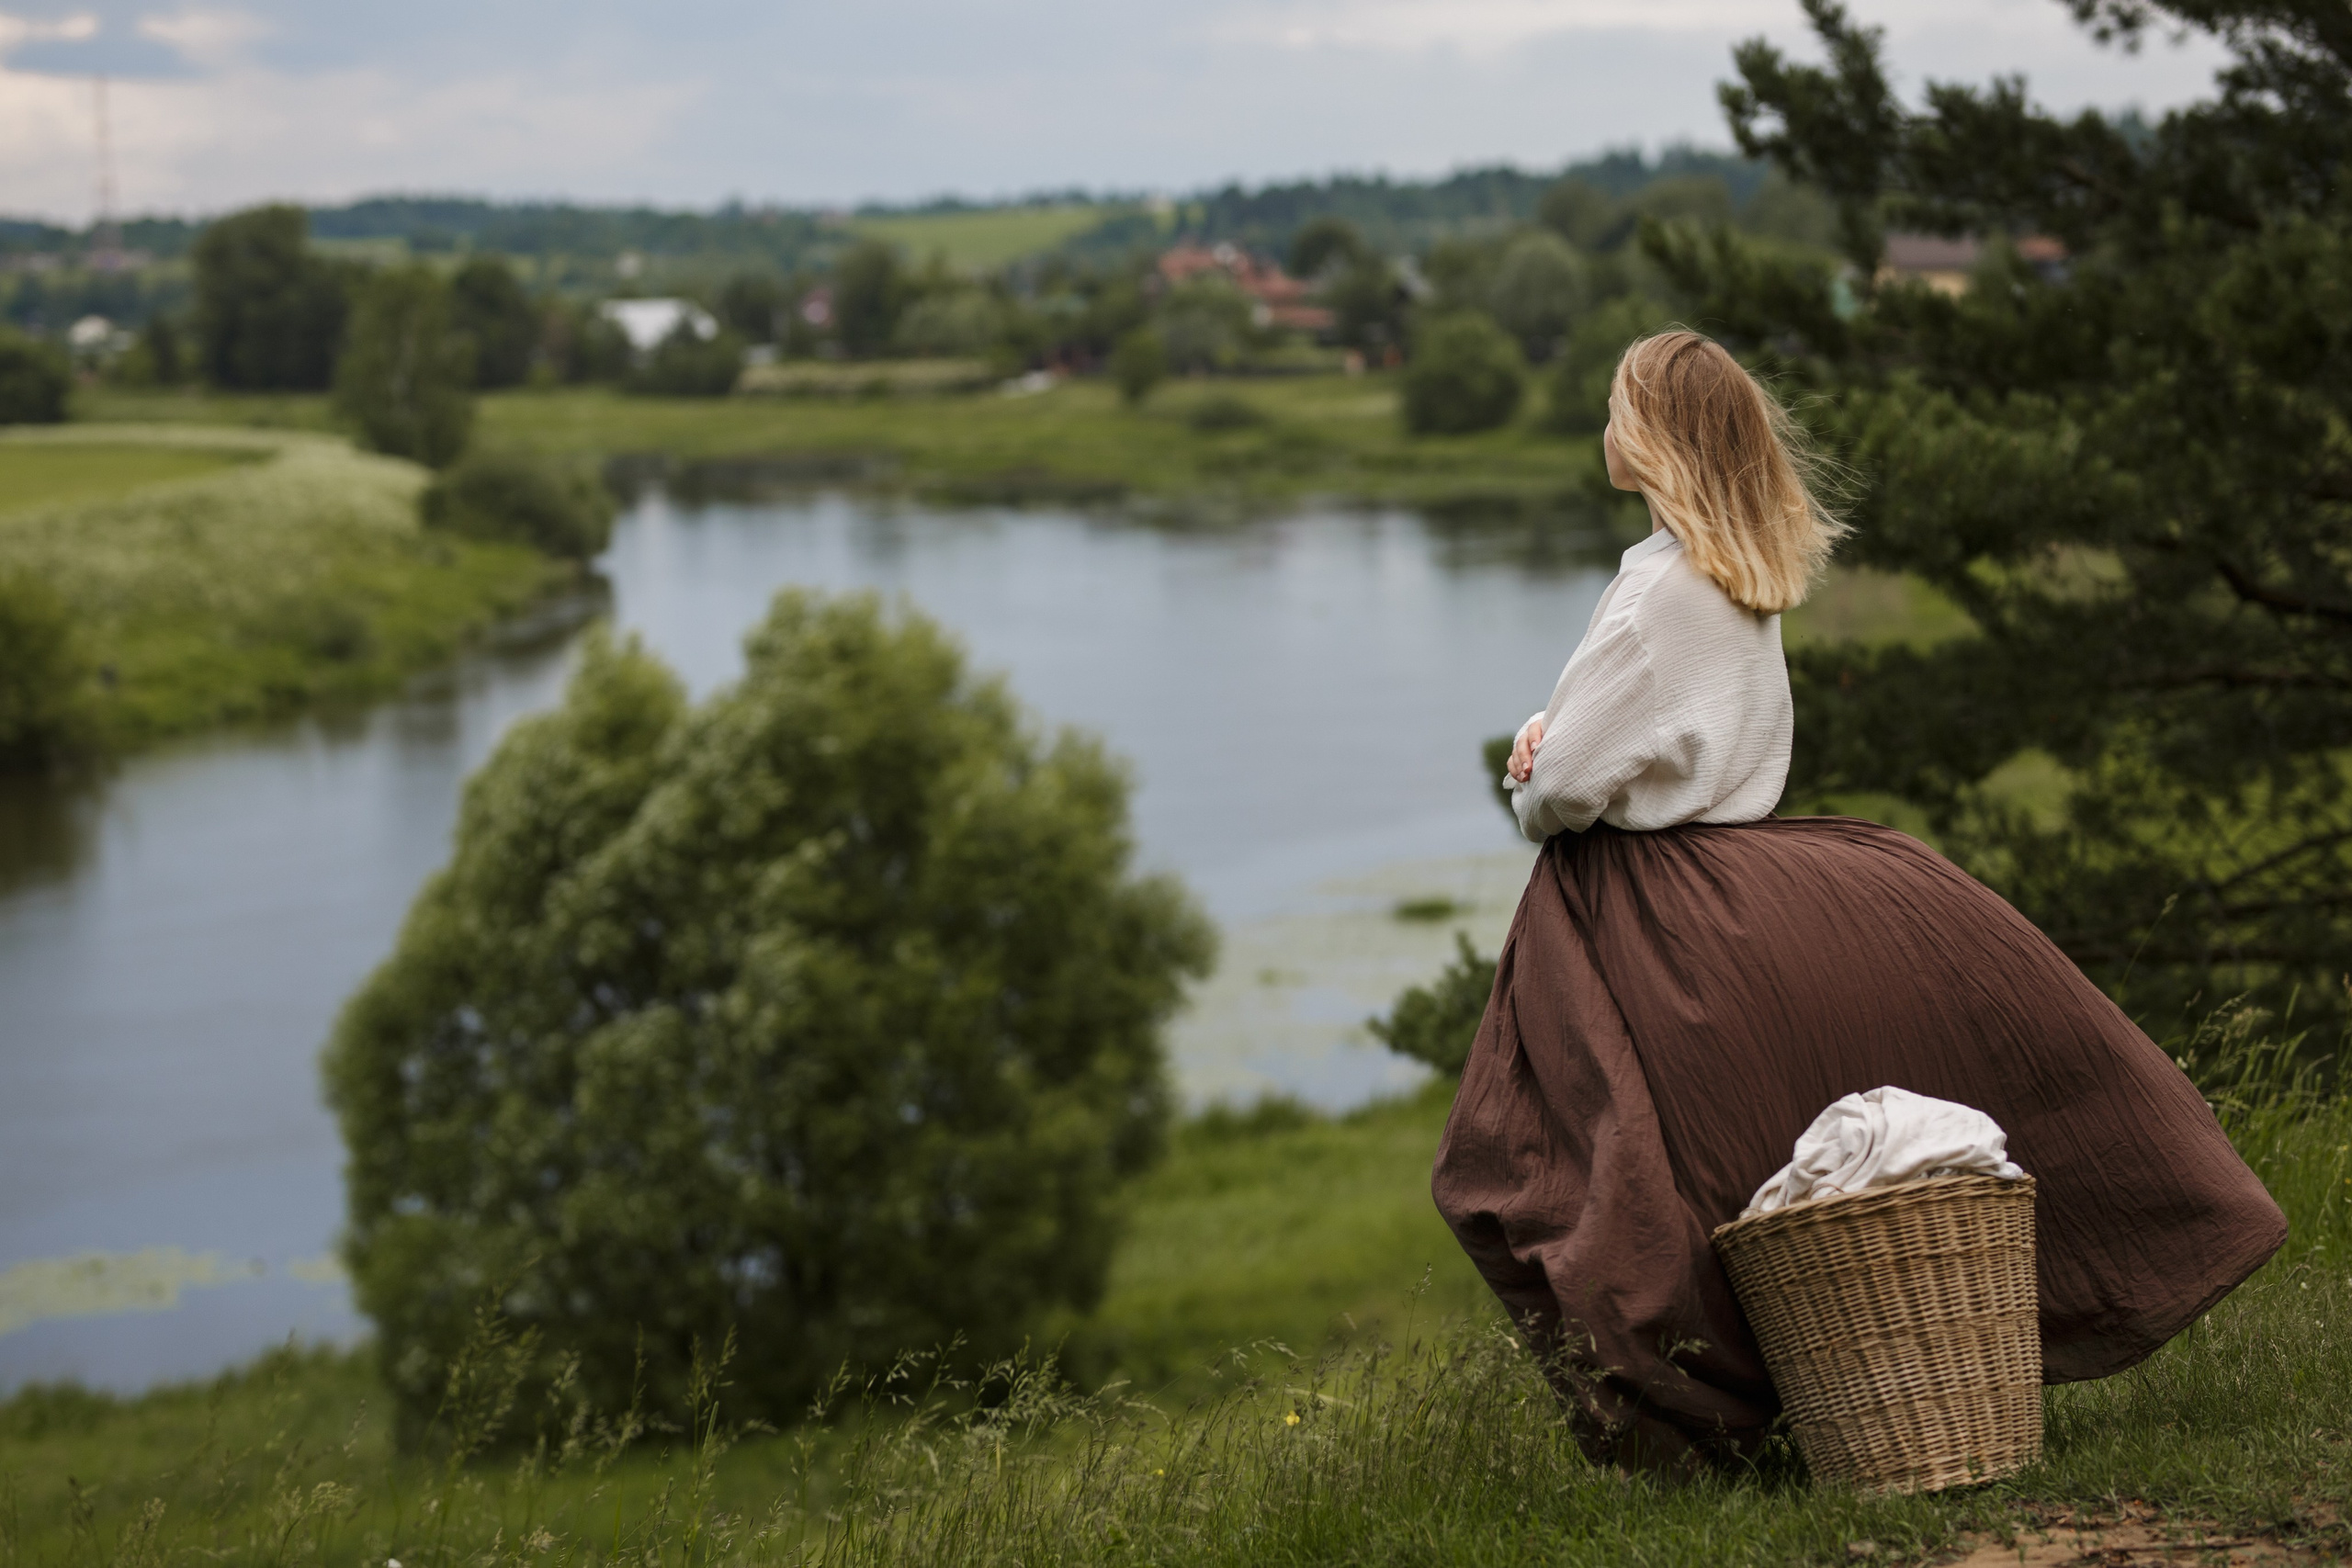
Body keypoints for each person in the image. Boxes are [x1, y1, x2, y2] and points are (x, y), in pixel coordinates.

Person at [1430, 329, 2285, 1474]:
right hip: (1743, 869)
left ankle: (1700, 1425)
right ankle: (1778, 1403)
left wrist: (1536, 772)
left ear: (1654, 435)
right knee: (1674, 1165)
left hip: (1636, 904)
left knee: (1528, 1171)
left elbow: (1571, 793)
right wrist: (1562, 744)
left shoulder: (1657, 595)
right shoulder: (1727, 568)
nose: (1602, 422)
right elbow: (1639, 741)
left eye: (1615, 404)